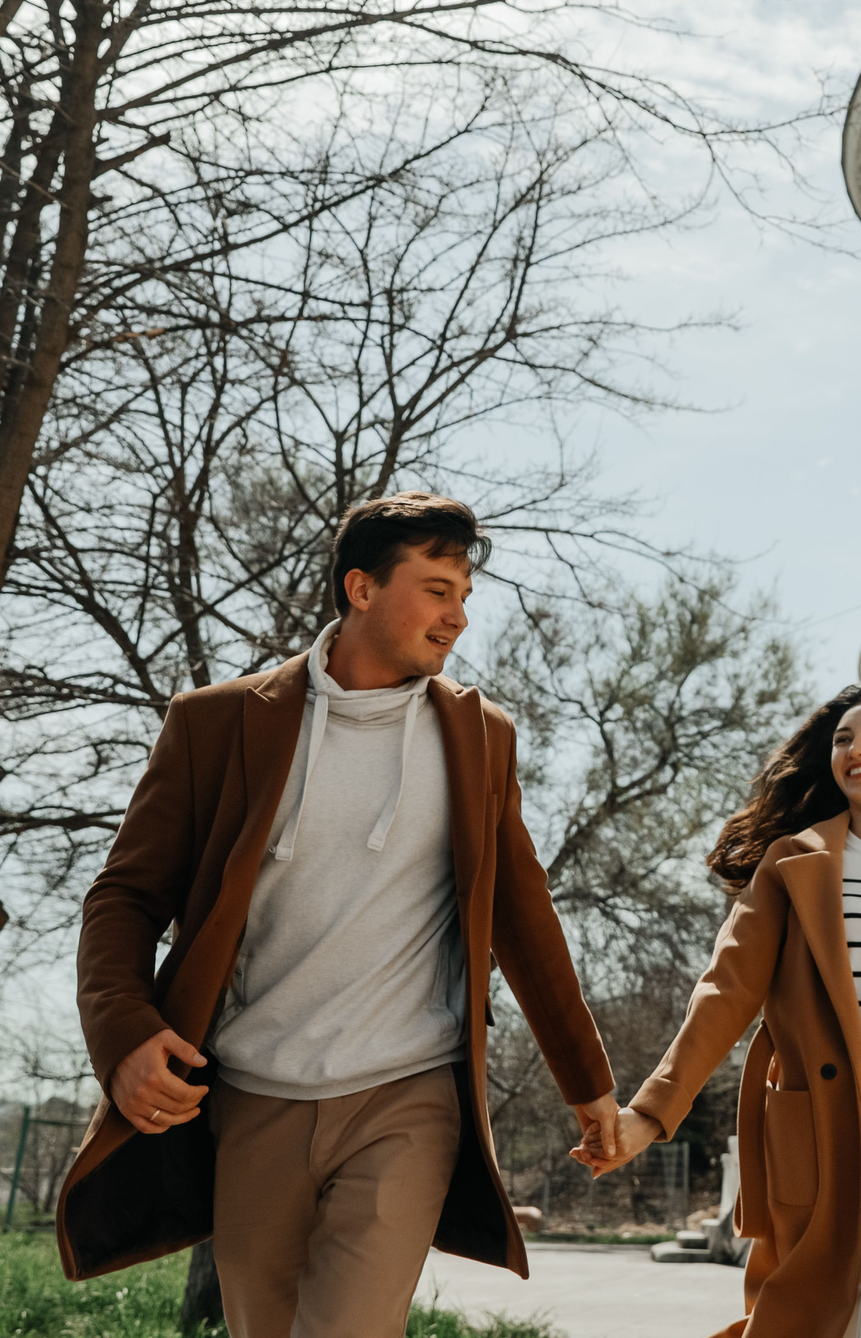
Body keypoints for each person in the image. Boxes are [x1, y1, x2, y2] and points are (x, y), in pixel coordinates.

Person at [56, 493, 620, 1337]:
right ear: (360, 587)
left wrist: (588, 1079)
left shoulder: (479, 737)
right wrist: (124, 1031)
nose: (457, 616)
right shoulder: (215, 723)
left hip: (408, 1091)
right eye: (437, 589)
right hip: (253, 1093)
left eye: (465, 594)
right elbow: (125, 897)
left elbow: (523, 911)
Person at [582, 683, 861, 1338]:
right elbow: (726, 992)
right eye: (842, 738)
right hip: (823, 1142)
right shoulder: (795, 863)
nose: (855, 748)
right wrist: (651, 1114)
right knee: (801, 1324)